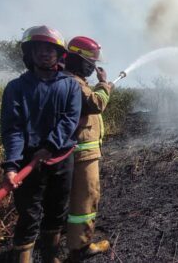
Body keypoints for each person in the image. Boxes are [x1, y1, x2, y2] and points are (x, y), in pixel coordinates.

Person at [0, 25, 82, 263]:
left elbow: (70, 119)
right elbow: (12, 128)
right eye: (39, 49)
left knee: (56, 211)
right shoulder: (16, 88)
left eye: (50, 49)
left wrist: (51, 145)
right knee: (28, 215)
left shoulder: (70, 86)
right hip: (29, 162)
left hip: (61, 159)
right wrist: (12, 165)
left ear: (59, 55)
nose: (45, 53)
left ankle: (50, 257)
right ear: (30, 54)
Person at [63, 36, 113, 261]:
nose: (93, 67)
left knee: (70, 200)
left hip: (74, 153)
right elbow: (96, 104)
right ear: (78, 58)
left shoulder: (70, 80)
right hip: (81, 154)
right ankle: (80, 246)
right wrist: (104, 84)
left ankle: (64, 243)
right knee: (86, 199)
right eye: (91, 62)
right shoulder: (73, 82)